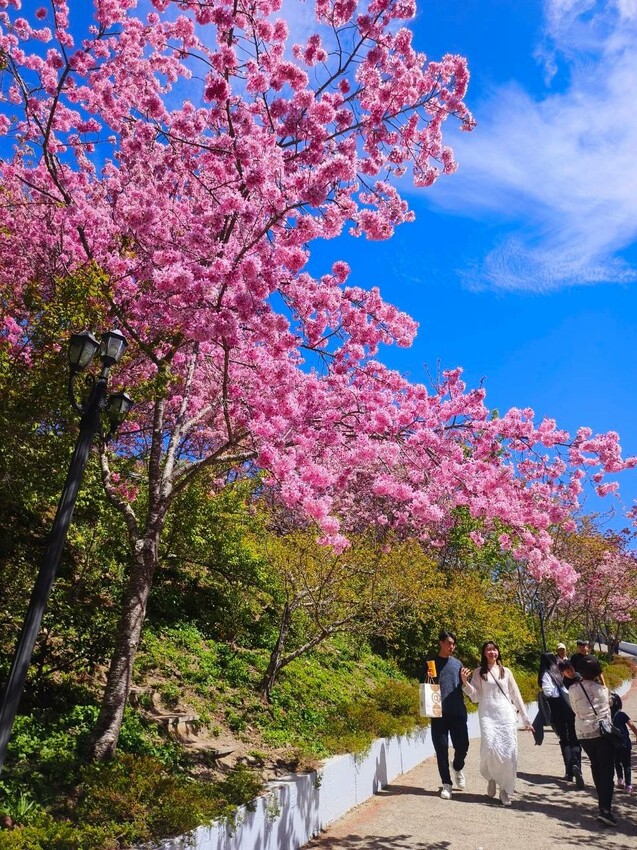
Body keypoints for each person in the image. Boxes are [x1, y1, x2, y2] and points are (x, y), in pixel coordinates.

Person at [461, 641, 532, 806]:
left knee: (509, 753)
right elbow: (476, 697)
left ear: (498, 652)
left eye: (494, 649)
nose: (492, 652)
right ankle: (491, 777)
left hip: (506, 715)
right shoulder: (479, 672)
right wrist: (465, 683)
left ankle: (505, 790)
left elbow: (516, 695)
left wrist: (526, 718)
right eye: (488, 649)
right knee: (489, 749)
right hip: (487, 715)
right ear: (484, 653)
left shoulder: (506, 672)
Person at [569, 655, 618, 827]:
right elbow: (610, 707)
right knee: (607, 771)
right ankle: (605, 810)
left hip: (583, 733)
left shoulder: (573, 689)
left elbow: (574, 709)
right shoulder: (603, 690)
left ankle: (602, 804)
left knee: (596, 765)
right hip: (602, 733)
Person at [424, 630, 469, 800]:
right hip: (438, 714)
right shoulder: (431, 663)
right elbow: (425, 687)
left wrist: (465, 681)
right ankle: (446, 784)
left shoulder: (457, 664)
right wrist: (427, 677)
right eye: (449, 643)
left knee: (463, 746)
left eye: (453, 644)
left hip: (457, 712)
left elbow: (465, 687)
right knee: (441, 750)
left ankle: (457, 767)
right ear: (441, 643)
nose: (452, 646)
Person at [538, 652, 584, 788]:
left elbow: (548, 693)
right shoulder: (562, 671)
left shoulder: (546, 674)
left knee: (564, 738)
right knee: (574, 738)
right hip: (570, 708)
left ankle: (569, 771)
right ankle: (577, 765)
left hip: (556, 710)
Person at [609, 692, 637, 793]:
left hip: (613, 744)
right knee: (627, 764)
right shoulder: (622, 714)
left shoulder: (607, 716)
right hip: (624, 743)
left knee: (617, 762)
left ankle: (620, 780)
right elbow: (631, 725)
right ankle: (628, 785)